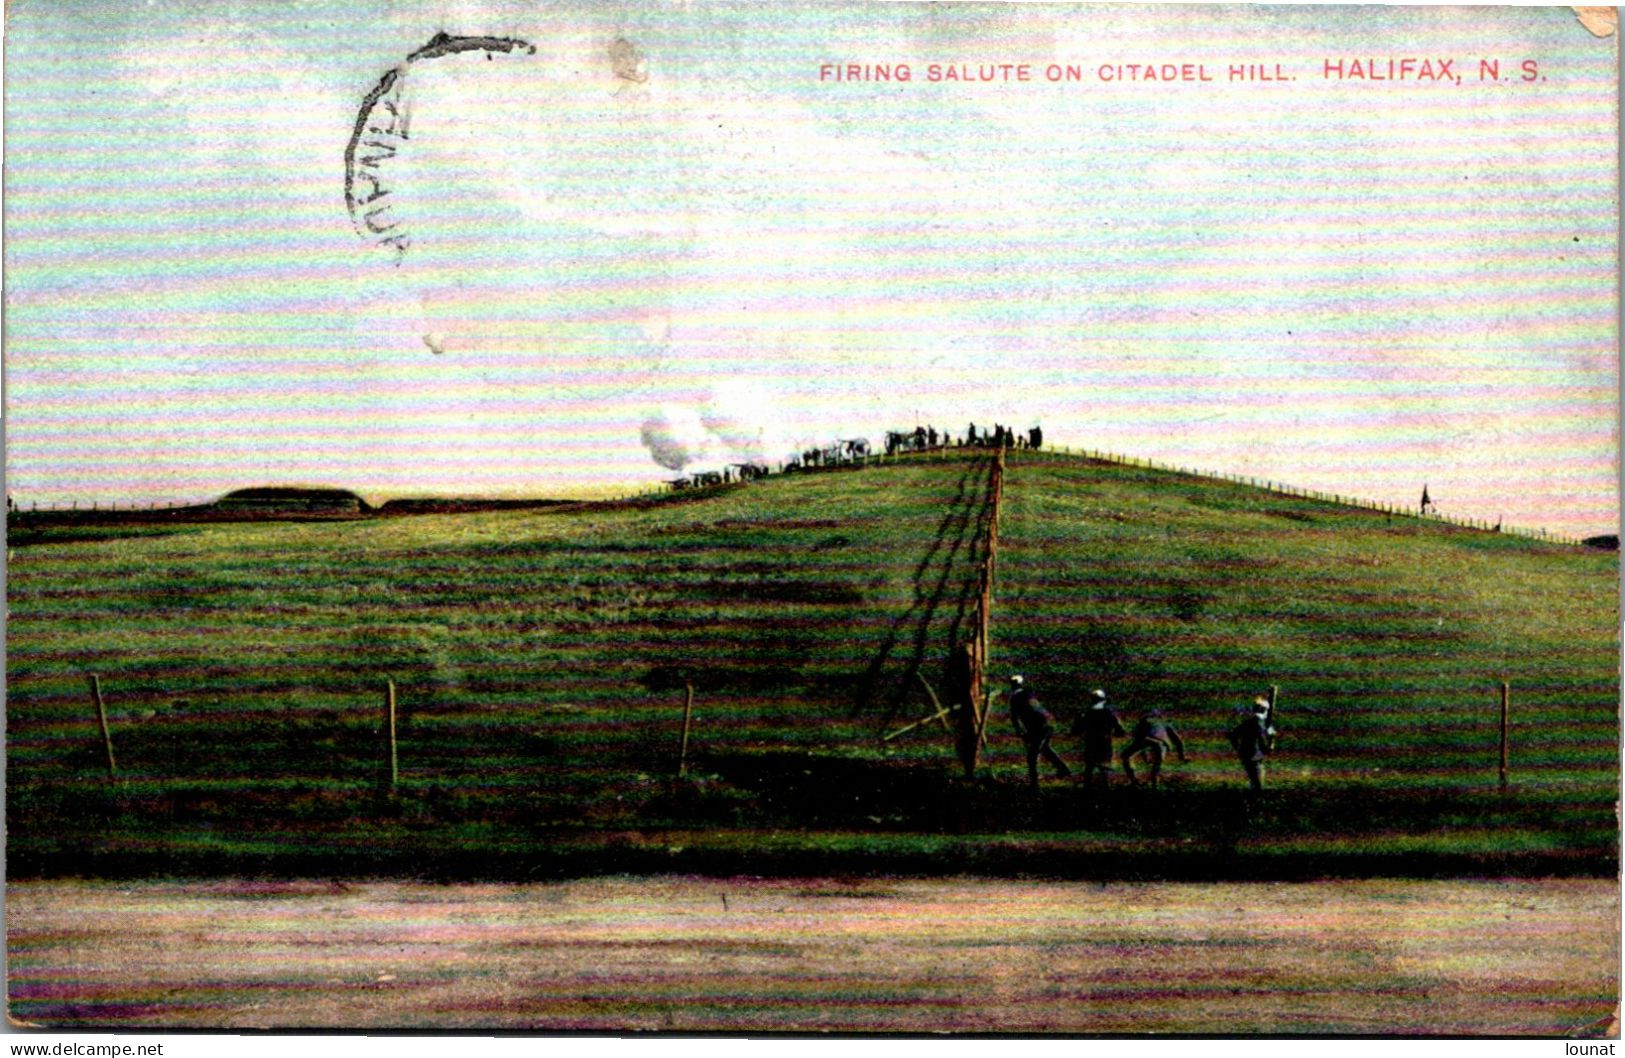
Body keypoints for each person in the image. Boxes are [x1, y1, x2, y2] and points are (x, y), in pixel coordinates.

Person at [1008, 675, 1070, 788]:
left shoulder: (1015, 698)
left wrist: (1019, 731)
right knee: (1045, 749)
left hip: (1039, 727)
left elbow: (1014, 717)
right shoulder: (1028, 694)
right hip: (1048, 723)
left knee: (1032, 754)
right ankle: (1063, 770)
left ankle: (1034, 783)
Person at [1071, 688, 1125, 789]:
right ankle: (1106, 788)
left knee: (1089, 766)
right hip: (1105, 742)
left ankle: (1087, 789)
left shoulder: (1087, 713)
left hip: (1091, 742)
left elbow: (1077, 730)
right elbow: (1120, 731)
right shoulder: (1109, 713)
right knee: (1104, 766)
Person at [1121, 707, 1187, 787]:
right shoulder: (1164, 722)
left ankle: (1134, 781)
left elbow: (1138, 740)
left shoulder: (1143, 722)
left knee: (1126, 756)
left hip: (1146, 739)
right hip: (1160, 743)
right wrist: (1181, 756)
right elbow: (1177, 740)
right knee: (1157, 764)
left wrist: (1145, 757)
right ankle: (1154, 784)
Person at [1228, 695, 1277, 792]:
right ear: (1264, 710)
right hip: (1255, 758)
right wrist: (1272, 738)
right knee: (1258, 787)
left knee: (1253, 783)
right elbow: (1265, 747)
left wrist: (1238, 749)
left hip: (1246, 756)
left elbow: (1232, 735)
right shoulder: (1259, 724)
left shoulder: (1248, 722)